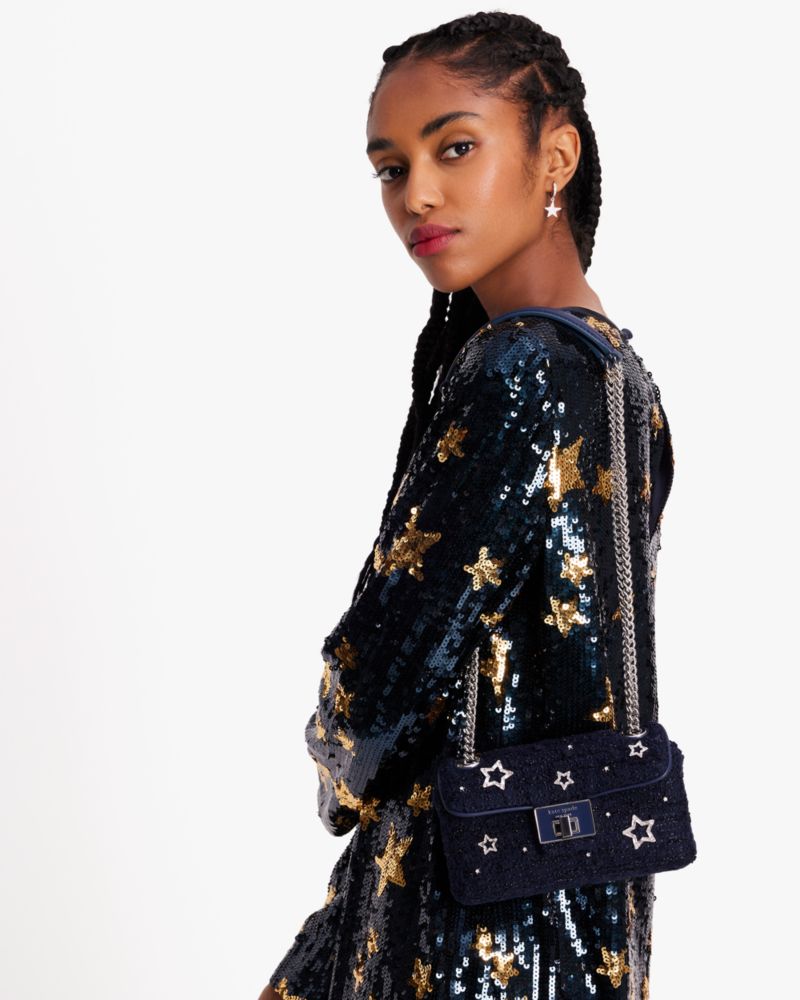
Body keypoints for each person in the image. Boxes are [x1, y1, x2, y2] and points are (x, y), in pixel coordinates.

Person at [259, 11, 675, 1000]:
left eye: (454, 147)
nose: (417, 194)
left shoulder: (520, 368)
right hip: (576, 911)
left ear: (555, 156)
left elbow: (386, 671)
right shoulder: (618, 375)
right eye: (390, 167)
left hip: (460, 925)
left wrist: (333, 758)